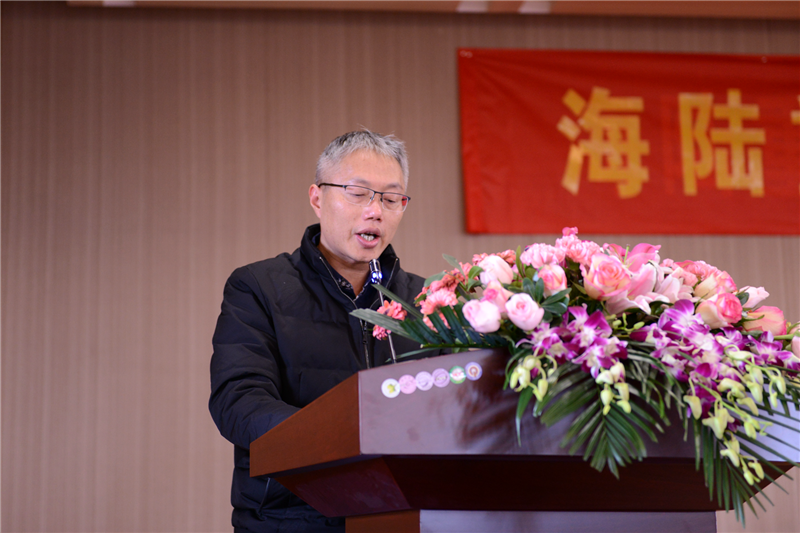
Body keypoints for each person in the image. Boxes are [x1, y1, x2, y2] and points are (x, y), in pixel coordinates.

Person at [209, 130, 433, 532]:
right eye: (358, 193)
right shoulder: (258, 287)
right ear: (317, 198)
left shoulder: (427, 300)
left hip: (401, 516)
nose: (375, 211)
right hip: (290, 517)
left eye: (390, 198)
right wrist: (344, 439)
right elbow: (238, 400)